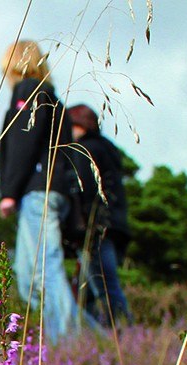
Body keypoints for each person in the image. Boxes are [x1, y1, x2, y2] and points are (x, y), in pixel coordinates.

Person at [0, 39, 78, 342]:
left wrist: (9, 191)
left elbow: (23, 142)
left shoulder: (28, 90)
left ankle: (69, 343)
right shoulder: (51, 97)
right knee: (27, 275)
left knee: (44, 270)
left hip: (37, 190)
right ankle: (88, 338)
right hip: (51, 190)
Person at [67, 104, 132, 328]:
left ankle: (123, 333)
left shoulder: (85, 150)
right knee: (91, 291)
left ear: (79, 125)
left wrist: (81, 226)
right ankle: (101, 336)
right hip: (113, 225)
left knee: (104, 285)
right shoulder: (107, 148)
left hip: (96, 228)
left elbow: (85, 191)